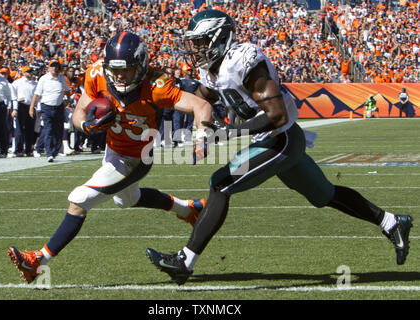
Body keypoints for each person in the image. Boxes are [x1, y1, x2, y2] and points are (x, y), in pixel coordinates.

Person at [145, 10, 414, 285]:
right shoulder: (212, 69)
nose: (197, 50)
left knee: (220, 184)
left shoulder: (243, 60)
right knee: (326, 195)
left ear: (220, 38)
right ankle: (392, 222)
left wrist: (227, 133)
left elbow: (277, 116)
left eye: (201, 42)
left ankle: (185, 262)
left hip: (281, 139)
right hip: (276, 141)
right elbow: (203, 97)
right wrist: (176, 106)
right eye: (195, 43)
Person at [7, 31, 212, 284]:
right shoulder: (97, 75)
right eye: (114, 70)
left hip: (136, 157)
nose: (119, 76)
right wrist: (87, 126)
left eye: (126, 70)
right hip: (113, 150)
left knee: (79, 200)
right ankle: (189, 209)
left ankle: (38, 261)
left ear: (141, 65)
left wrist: (203, 134)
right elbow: (78, 114)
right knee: (126, 200)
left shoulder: (156, 85)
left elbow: (201, 106)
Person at [29, 59, 70, 162]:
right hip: (46, 107)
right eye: (52, 66)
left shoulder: (62, 78)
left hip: (59, 107)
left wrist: (67, 100)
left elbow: (67, 90)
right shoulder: (44, 79)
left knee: (58, 131)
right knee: (48, 130)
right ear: (49, 67)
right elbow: (37, 94)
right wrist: (31, 107)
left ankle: (55, 151)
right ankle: (49, 153)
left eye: (56, 66)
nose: (54, 68)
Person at [11, 66, 37, 156]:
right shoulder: (17, 83)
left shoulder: (35, 83)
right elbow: (13, 96)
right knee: (19, 129)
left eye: (31, 71)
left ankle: (28, 149)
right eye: (28, 71)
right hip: (21, 106)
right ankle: (18, 149)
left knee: (30, 129)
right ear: (24, 72)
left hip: (31, 107)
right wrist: (15, 107)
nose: (30, 73)